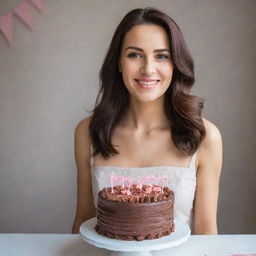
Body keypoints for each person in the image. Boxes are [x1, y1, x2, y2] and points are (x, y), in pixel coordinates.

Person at [71, 7, 222, 235]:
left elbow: (206, 230)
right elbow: (83, 222)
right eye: (135, 54)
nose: (148, 69)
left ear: (175, 64)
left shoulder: (204, 136)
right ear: (119, 62)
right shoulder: (88, 132)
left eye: (162, 56)